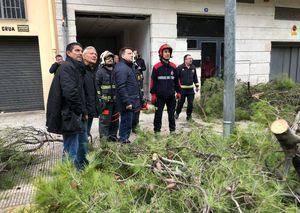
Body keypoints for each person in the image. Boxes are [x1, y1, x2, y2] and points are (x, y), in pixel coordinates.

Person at [46, 42, 85, 168]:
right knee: (70, 149)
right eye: (77, 50)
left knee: (71, 146)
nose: (80, 53)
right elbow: (71, 92)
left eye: (81, 50)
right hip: (69, 114)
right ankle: (68, 177)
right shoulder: (67, 67)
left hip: (70, 113)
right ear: (68, 53)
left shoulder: (73, 67)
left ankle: (70, 174)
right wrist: (80, 110)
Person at [150, 43, 181, 134]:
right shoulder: (156, 67)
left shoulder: (174, 67)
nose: (167, 53)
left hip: (171, 96)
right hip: (159, 97)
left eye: (169, 52)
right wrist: (153, 94)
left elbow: (177, 81)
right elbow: (153, 82)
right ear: (161, 53)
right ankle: (157, 132)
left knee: (171, 115)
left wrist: (178, 92)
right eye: (165, 51)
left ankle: (172, 131)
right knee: (158, 115)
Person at [77, 46, 98, 169]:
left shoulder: (90, 70)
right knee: (82, 140)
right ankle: (81, 167)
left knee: (84, 137)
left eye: (95, 53)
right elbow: (79, 93)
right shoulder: (80, 70)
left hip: (89, 111)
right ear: (84, 55)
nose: (94, 55)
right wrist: (84, 111)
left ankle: (83, 163)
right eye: (91, 53)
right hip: (83, 112)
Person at [115, 47, 141, 144]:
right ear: (122, 55)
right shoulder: (122, 68)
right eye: (129, 53)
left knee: (127, 122)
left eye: (132, 53)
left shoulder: (129, 66)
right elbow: (121, 86)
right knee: (126, 122)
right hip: (127, 103)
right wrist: (127, 102)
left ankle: (124, 139)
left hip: (132, 100)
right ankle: (123, 140)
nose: (132, 55)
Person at [96, 50, 119, 142]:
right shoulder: (100, 72)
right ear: (103, 60)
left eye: (111, 58)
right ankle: (104, 141)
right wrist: (99, 99)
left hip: (115, 102)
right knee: (104, 122)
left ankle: (113, 137)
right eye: (107, 58)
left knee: (115, 120)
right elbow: (96, 86)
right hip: (105, 103)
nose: (110, 60)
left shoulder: (115, 71)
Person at [175, 54, 199, 121]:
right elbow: (176, 78)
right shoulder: (180, 67)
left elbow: (195, 78)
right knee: (180, 103)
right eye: (189, 58)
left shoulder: (193, 68)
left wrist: (197, 86)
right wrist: (176, 89)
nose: (191, 59)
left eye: (191, 58)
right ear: (185, 60)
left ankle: (189, 116)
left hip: (190, 90)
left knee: (190, 104)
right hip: (182, 89)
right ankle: (177, 113)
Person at [132, 50, 147, 133]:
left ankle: (135, 126)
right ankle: (132, 126)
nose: (134, 54)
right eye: (132, 53)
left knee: (141, 92)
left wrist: (140, 68)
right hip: (133, 82)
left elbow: (144, 68)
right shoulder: (130, 63)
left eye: (135, 53)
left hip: (140, 78)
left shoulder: (141, 60)